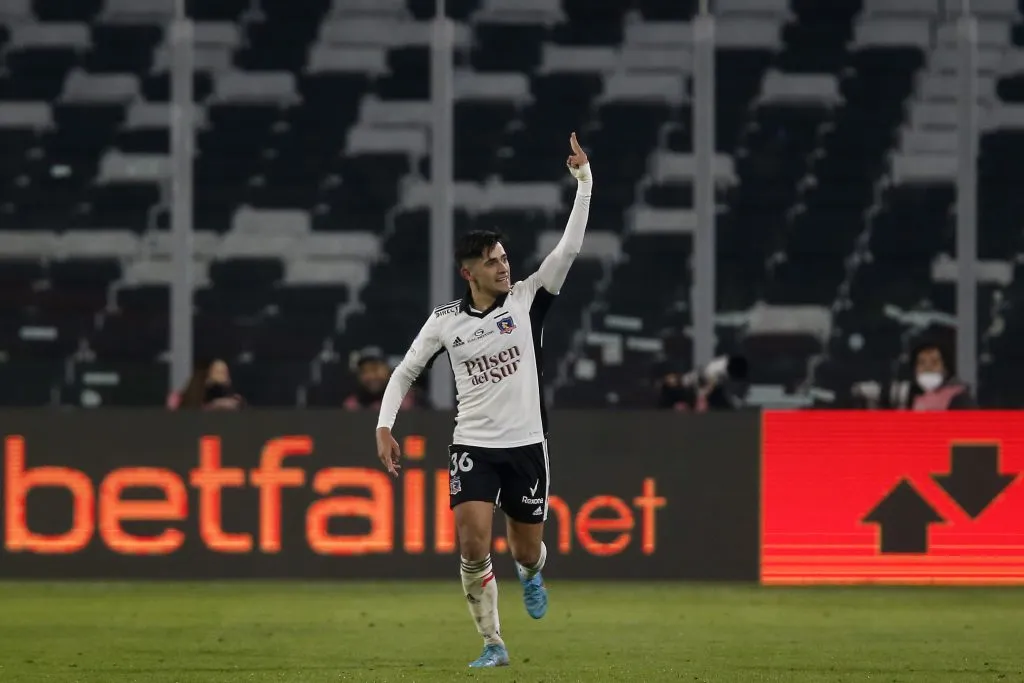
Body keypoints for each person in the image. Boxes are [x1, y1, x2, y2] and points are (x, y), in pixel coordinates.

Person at [374, 133, 592, 669]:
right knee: (472, 546)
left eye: (505, 258)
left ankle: (532, 571)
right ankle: (493, 644)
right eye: (493, 262)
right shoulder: (446, 321)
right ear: (468, 272)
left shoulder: (528, 299)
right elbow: (405, 371)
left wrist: (584, 182)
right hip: (472, 443)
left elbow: (568, 249)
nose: (504, 267)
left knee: (522, 549)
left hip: (526, 445)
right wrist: (384, 425)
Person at [342, 347, 423, 411]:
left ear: (388, 371)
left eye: (375, 369)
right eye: (364, 371)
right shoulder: (351, 406)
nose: (371, 376)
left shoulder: (411, 401)